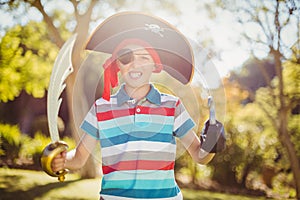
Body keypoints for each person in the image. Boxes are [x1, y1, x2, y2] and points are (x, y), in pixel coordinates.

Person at [50, 12, 225, 200]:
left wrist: (210, 145)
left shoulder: (172, 106)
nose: (135, 65)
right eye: (127, 57)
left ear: (155, 65)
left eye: (144, 58)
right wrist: (62, 161)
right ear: (117, 63)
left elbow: (200, 156)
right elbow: (79, 158)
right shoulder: (101, 108)